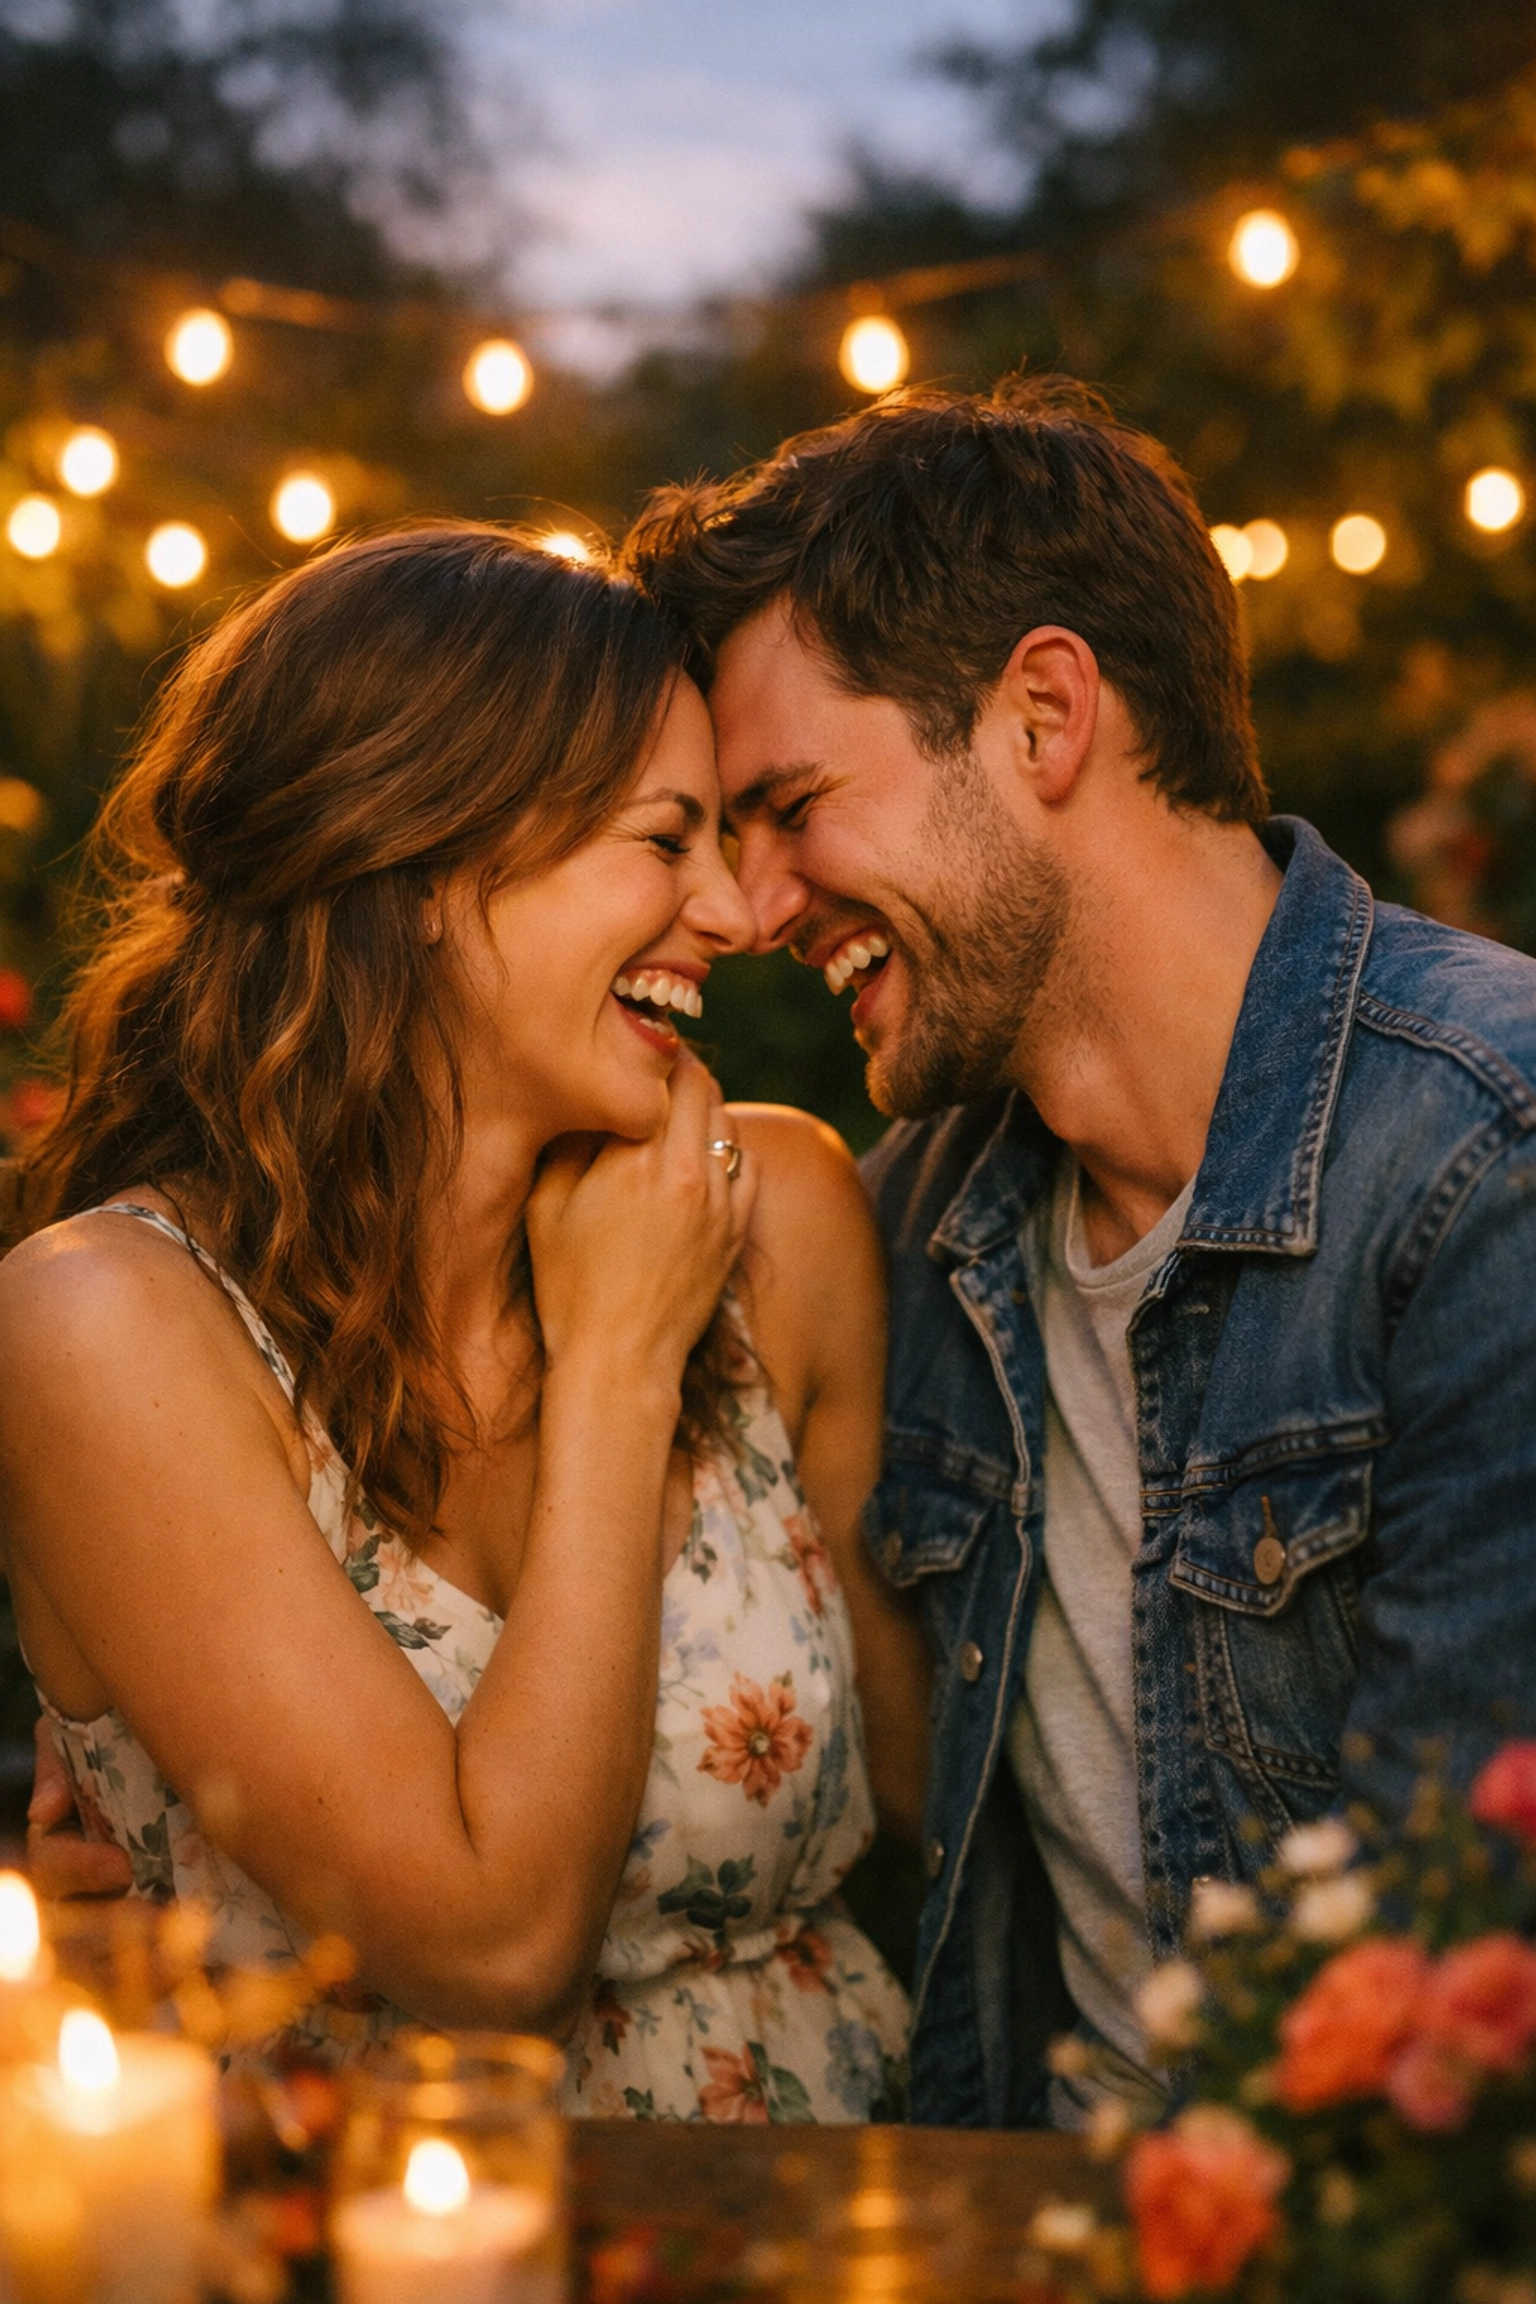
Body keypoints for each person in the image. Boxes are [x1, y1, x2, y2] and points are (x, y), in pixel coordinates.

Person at [622, 375, 1536, 2130]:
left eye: (789, 803)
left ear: (1043, 713)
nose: (743, 907)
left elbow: (1458, 2001)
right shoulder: (912, 1218)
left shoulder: (1484, 1169)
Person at [0, 524, 917, 2120]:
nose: (735, 907)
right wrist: (623, 1366)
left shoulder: (777, 1217)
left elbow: (949, 1802)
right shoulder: (107, 1327)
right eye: (666, 837)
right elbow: (496, 1952)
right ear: (428, 867)